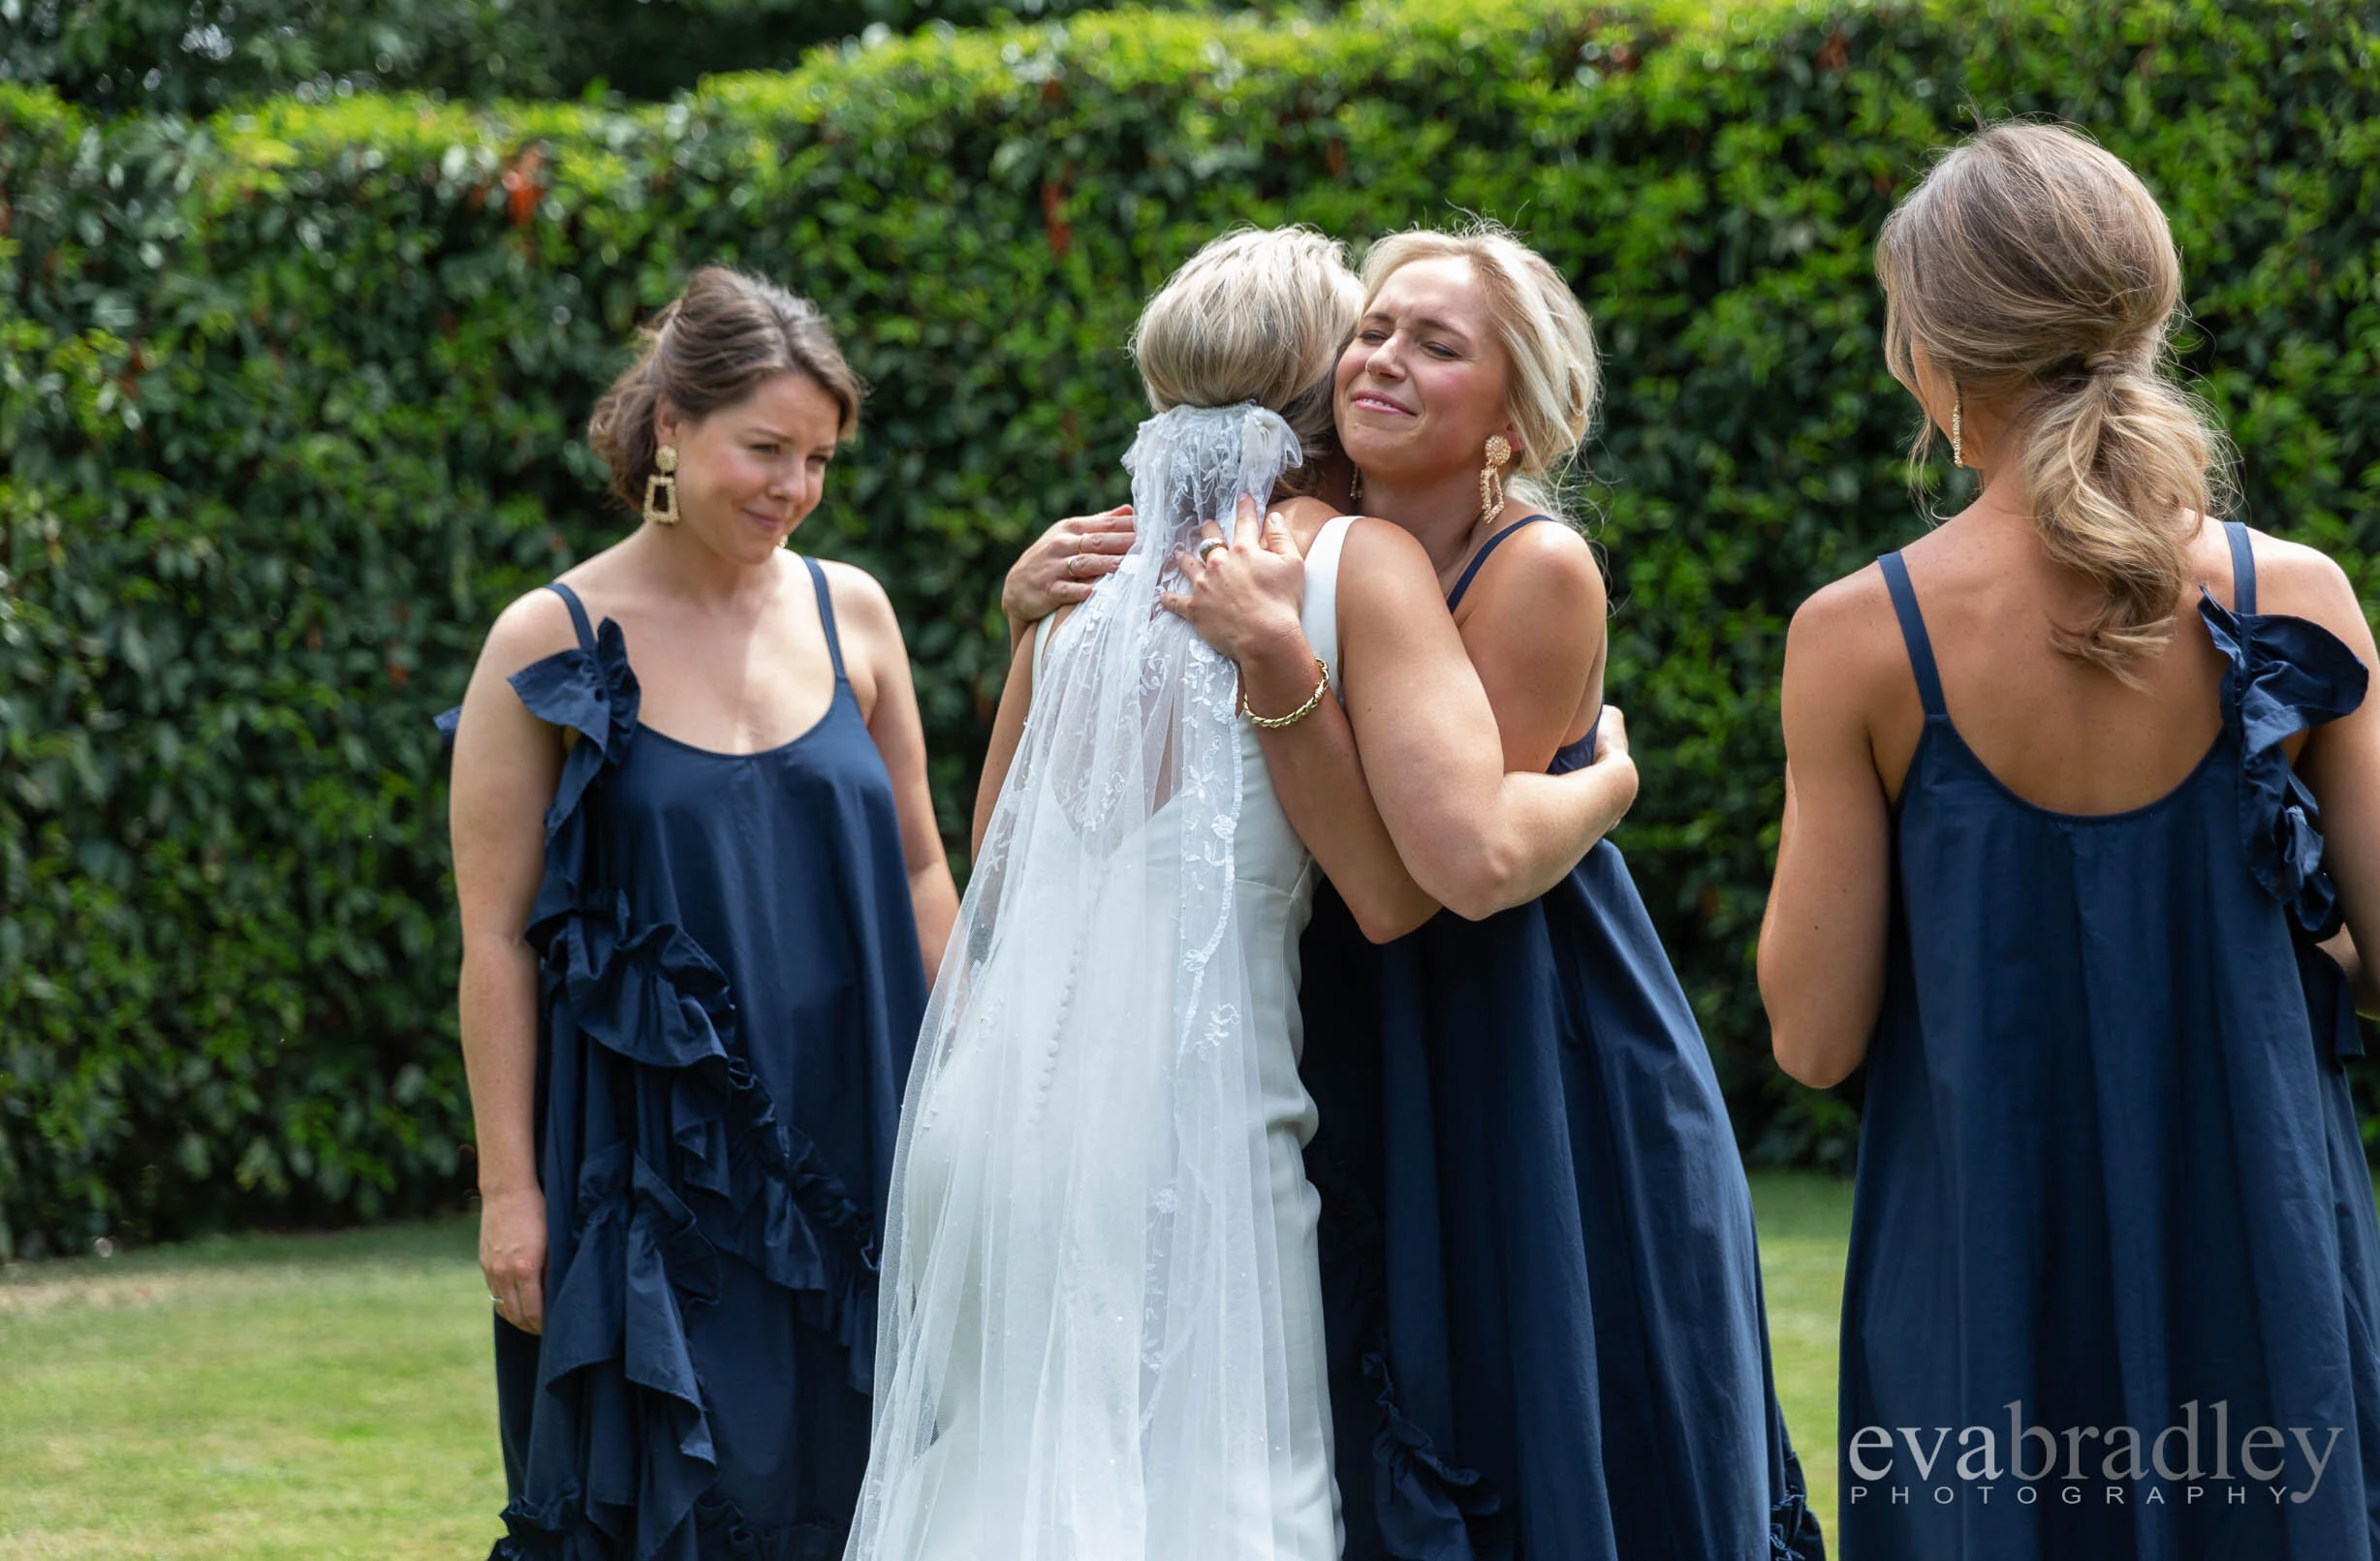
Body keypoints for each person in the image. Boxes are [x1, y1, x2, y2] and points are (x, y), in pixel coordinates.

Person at [847, 226, 1641, 1561]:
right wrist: (1609, 779)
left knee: (998, 1490)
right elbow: (1398, 894)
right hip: (1193, 1128)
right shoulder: (1354, 563)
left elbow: (998, 863)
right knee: (1227, 1504)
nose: (1383, 362)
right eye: (1367, 337)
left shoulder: (1078, 584)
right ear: (1324, 385)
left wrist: (1020, 625)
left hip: (985, 1131)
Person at [1761, 121, 2380, 1558]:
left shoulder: (1858, 637)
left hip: (1987, 1302)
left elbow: (1811, 1037)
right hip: (2264, 1287)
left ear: (1932, 355)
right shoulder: (2295, 595)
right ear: (2148, 314)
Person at [1165, 223, 1820, 1561]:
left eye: (1437, 345)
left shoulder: (1536, 568)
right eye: (1373, 330)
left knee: (1539, 1401)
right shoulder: (1302, 540)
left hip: (1523, 1032)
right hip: (1349, 1010)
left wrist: (1605, 787)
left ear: (1514, 422)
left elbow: (1445, 866)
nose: (1383, 359)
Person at [442, 265, 955, 1558]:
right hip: (646, 1169)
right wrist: (509, 1192)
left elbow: (919, 873)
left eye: (819, 459)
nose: (794, 487)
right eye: (765, 449)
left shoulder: (854, 612)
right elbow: (494, 940)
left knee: (876, 1486)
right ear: (672, 426)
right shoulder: (543, 638)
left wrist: (974, 1099)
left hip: (860, 1132)